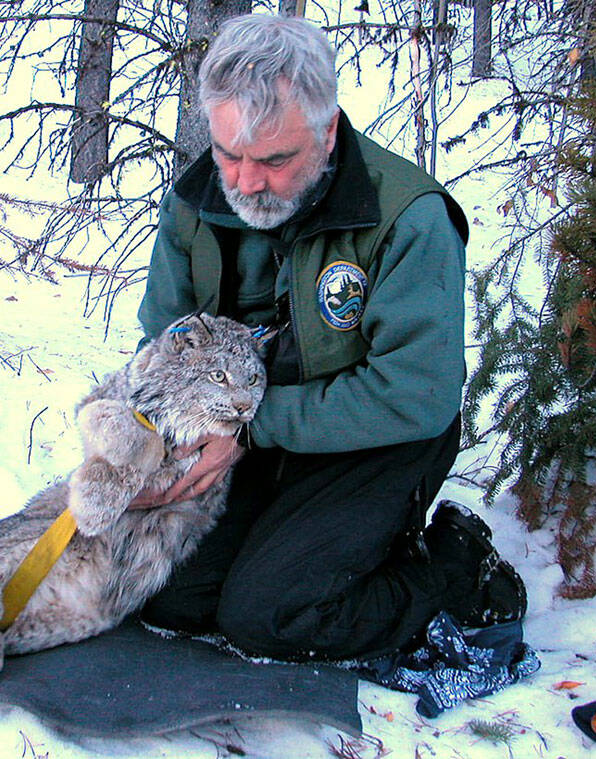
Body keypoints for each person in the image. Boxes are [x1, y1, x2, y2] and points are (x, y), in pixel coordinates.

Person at [131, 14, 526, 665]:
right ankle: (301, 539)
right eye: (229, 153)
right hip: (255, 427)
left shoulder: (407, 218)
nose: (246, 182)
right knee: (163, 588)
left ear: (328, 129)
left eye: (275, 159)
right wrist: (168, 440)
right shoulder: (195, 201)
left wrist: (252, 426)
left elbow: (414, 396)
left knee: (272, 616)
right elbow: (162, 343)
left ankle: (453, 566)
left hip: (378, 440)